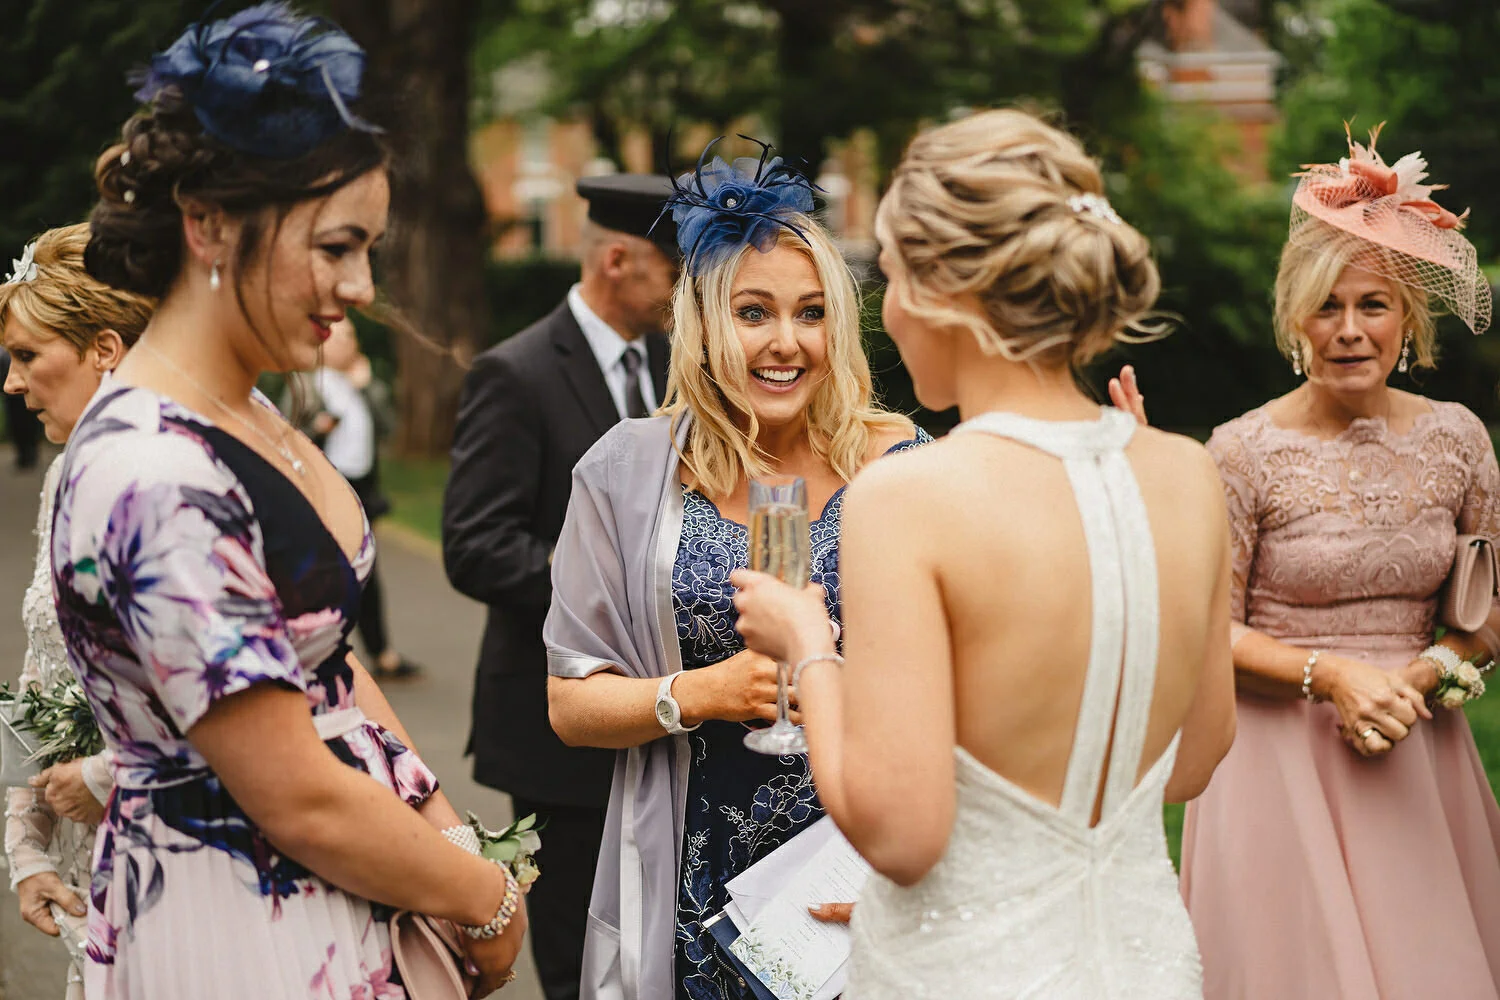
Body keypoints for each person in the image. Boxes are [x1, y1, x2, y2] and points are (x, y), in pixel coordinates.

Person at [54, 5, 525, 996]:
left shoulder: (250, 411)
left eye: (371, 250)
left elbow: (330, 670)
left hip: (348, 886)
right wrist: (482, 895)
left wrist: (439, 825)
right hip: (242, 924)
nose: (359, 285)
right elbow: (297, 796)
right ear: (210, 222)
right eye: (336, 246)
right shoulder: (153, 473)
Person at [729, 109, 1237, 999]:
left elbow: (903, 836)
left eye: (886, 276)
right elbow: (1193, 760)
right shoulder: (1189, 475)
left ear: (944, 291)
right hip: (1147, 963)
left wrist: (808, 645)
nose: (884, 310)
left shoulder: (909, 497)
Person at [544, 139, 929, 1000]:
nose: (785, 343)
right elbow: (570, 702)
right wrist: (702, 694)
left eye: (811, 313)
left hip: (861, 867)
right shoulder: (624, 470)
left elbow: (973, 704)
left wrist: (903, 869)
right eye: (753, 312)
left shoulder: (907, 467)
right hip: (691, 865)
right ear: (705, 322)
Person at [1179, 125, 1500, 998]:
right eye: (1328, 306)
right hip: (1273, 762)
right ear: (1295, 318)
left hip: (1415, 752)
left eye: (1373, 305)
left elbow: (1486, 618)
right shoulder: (1241, 451)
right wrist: (1330, 677)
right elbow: (1212, 631)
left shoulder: (1460, 440)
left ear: (1408, 318)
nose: (1351, 331)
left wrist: (1426, 675)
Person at [443, 173, 678, 1000]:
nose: (683, 291)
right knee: (581, 962)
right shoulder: (516, 372)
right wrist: (603, 587)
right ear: (617, 260)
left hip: (659, 715)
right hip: (553, 733)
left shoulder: (674, 364)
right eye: (670, 270)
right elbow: (474, 545)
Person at [2, 222, 153, 1000]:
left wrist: (108, 772)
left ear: (105, 348)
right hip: (86, 876)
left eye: (28, 357)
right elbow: (42, 675)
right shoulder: (64, 479)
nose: (11, 383)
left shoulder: (161, 482)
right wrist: (26, 849)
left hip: (173, 862)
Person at [290, 317, 421, 680]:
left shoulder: (357, 383)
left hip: (362, 488)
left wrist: (366, 388)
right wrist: (318, 427)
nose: (352, 342)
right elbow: (288, 438)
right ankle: (323, 652)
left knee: (365, 570)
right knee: (333, 573)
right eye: (343, 335)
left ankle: (377, 652)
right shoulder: (306, 383)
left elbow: (386, 425)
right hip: (327, 490)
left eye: (352, 335)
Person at [1, 343, 42, 470]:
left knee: (29, 424)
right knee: (17, 426)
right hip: (12, 399)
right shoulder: (5, 357)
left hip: (23, 396)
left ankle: (30, 453)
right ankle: (23, 454)